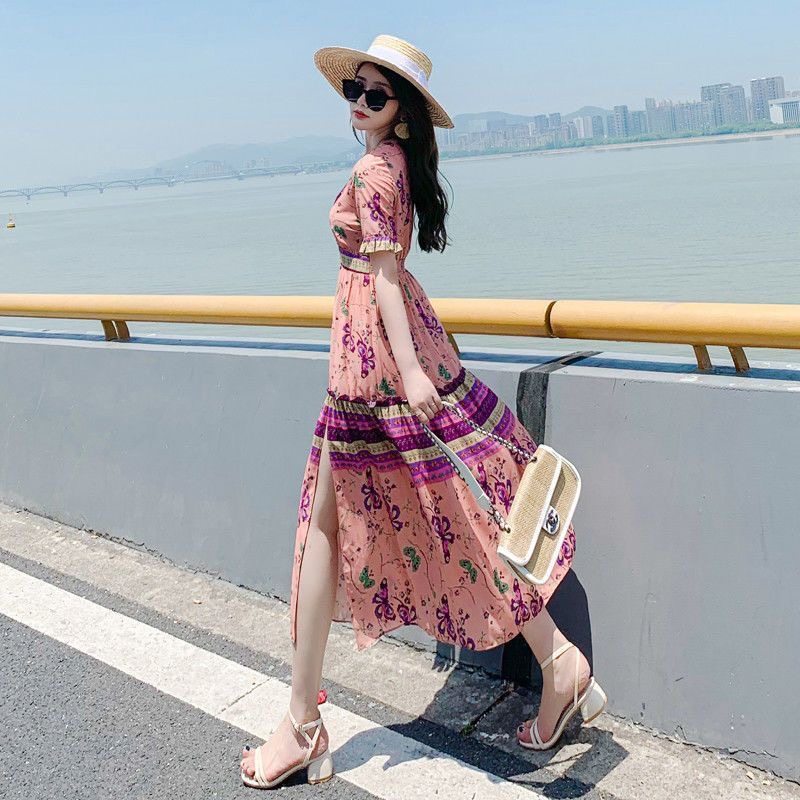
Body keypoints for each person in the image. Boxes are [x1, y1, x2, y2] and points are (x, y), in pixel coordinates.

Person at [240, 34, 606, 790]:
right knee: (442, 512)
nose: (359, 103)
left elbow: (380, 277)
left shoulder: (376, 170)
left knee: (350, 521)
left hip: (375, 362)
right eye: (355, 90)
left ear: (401, 110)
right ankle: (557, 660)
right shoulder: (396, 164)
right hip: (384, 350)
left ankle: (302, 724)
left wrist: (408, 373)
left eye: (375, 94)